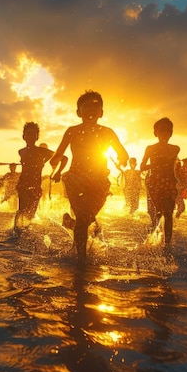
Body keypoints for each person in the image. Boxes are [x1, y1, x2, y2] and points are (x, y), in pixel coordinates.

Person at [50, 90, 128, 258]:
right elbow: (58, 155)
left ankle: (72, 226)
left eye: (95, 107)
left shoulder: (108, 132)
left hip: (99, 182)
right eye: (86, 107)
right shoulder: (72, 131)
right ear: (79, 113)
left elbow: (123, 153)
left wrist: (122, 159)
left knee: (88, 218)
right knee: (84, 218)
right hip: (75, 179)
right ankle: (81, 259)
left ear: (101, 112)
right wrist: (55, 162)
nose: (91, 110)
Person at [14, 122, 67, 230]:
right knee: (21, 211)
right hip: (22, 185)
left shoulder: (41, 151)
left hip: (35, 186)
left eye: (33, 134)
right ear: (24, 136)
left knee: (30, 215)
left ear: (37, 137)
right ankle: (16, 232)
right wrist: (42, 162)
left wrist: (58, 172)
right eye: (28, 134)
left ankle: (26, 232)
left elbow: (64, 158)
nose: (31, 136)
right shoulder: (21, 152)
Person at [140, 118, 180, 248]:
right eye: (161, 130)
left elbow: (176, 166)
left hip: (169, 183)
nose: (164, 133)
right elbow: (142, 166)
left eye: (167, 130)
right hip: (154, 183)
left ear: (171, 133)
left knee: (168, 213)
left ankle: (167, 244)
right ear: (155, 133)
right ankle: (155, 237)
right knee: (159, 212)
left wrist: (178, 177)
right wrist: (154, 165)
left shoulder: (175, 149)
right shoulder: (150, 149)